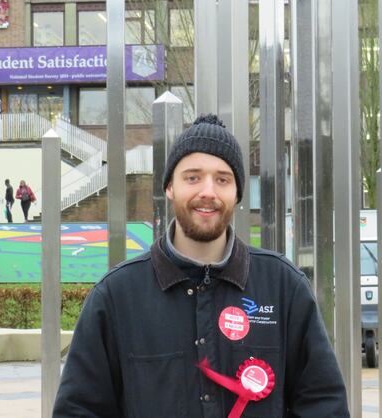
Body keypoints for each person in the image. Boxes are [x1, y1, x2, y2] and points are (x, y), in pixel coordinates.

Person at [53, 115, 349, 417]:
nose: (208, 191)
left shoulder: (284, 288)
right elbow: (79, 410)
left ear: (237, 194)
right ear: (169, 187)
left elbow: (324, 405)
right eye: (192, 177)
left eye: (222, 179)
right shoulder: (116, 296)